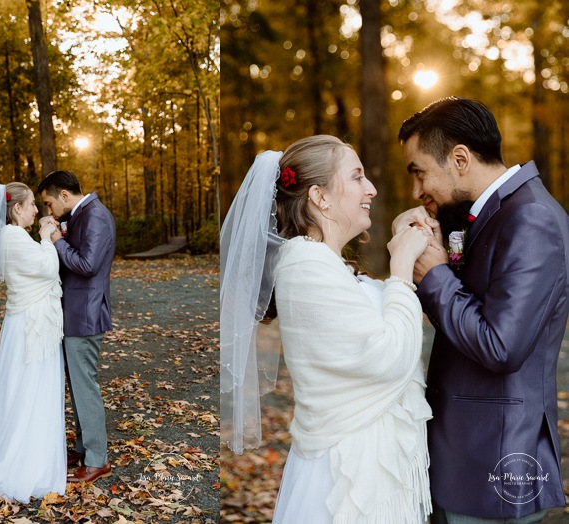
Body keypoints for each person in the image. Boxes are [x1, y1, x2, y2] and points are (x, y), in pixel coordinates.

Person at [220, 135, 434, 522]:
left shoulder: (327, 265)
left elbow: (377, 318)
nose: (370, 188)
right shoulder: (304, 266)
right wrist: (401, 265)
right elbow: (387, 356)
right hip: (347, 481)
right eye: (357, 177)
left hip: (372, 467)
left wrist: (403, 242)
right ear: (319, 196)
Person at [394, 96, 569, 523]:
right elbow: (468, 318)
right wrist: (440, 261)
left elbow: (501, 346)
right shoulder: (492, 213)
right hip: (466, 456)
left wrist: (434, 275)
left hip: (496, 463)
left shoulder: (531, 219)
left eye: (419, 172)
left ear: (459, 158)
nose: (417, 192)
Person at [0, 182, 65, 503]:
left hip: (32, 324)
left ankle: (32, 451)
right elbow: (48, 268)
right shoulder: (12, 238)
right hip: (29, 329)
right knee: (27, 392)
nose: (37, 209)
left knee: (30, 391)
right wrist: (48, 238)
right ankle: (22, 462)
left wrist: (42, 239)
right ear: (16, 208)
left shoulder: (16, 237)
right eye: (32, 204)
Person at [37, 170, 116, 483]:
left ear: (64, 196)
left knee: (86, 388)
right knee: (78, 388)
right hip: (73, 314)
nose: (48, 211)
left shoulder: (95, 215)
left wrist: (57, 240)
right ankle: (85, 448)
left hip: (85, 315)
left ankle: (98, 459)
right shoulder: (80, 214)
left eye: (48, 203)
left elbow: (87, 265)